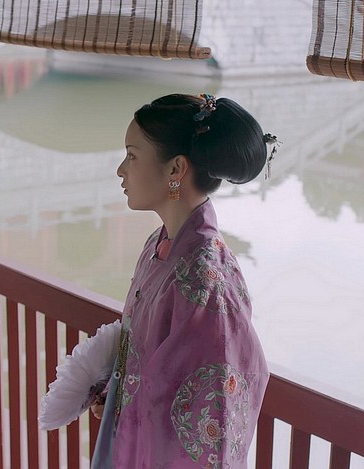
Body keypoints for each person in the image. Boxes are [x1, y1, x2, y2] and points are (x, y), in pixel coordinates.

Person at [91, 94, 271, 468]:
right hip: (135, 441)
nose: (121, 170)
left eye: (132, 156)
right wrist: (116, 390)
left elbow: (215, 413)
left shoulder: (206, 279)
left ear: (175, 168)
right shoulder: (159, 244)